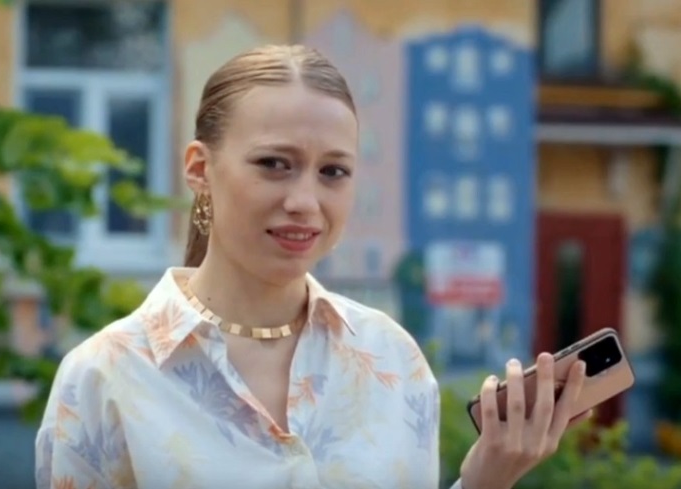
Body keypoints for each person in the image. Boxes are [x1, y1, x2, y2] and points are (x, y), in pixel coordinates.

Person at [35, 44, 590, 489]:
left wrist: (486, 479)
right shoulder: (105, 377)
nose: (305, 201)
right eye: (274, 164)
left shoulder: (391, 359)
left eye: (332, 172)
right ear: (200, 168)